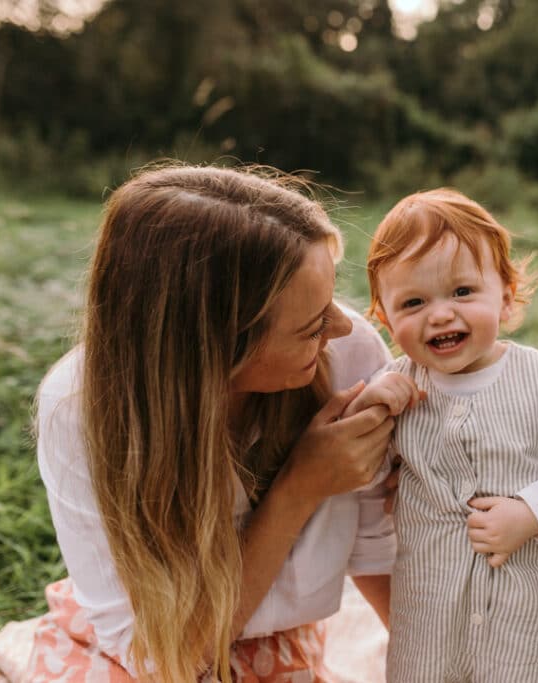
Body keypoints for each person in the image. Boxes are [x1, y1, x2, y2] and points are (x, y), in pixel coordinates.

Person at [23, 164, 404, 682]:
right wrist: (300, 486)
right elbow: (160, 657)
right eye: (313, 324)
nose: (342, 326)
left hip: (267, 634)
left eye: (331, 300)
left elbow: (377, 544)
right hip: (165, 641)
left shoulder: (348, 353)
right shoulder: (78, 409)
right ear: (219, 350)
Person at [346, 188, 538, 682]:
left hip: (519, 598)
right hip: (426, 603)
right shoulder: (398, 387)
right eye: (413, 302)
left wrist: (532, 511)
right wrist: (370, 412)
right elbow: (365, 478)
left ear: (506, 297)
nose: (441, 314)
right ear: (384, 318)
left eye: (462, 292)